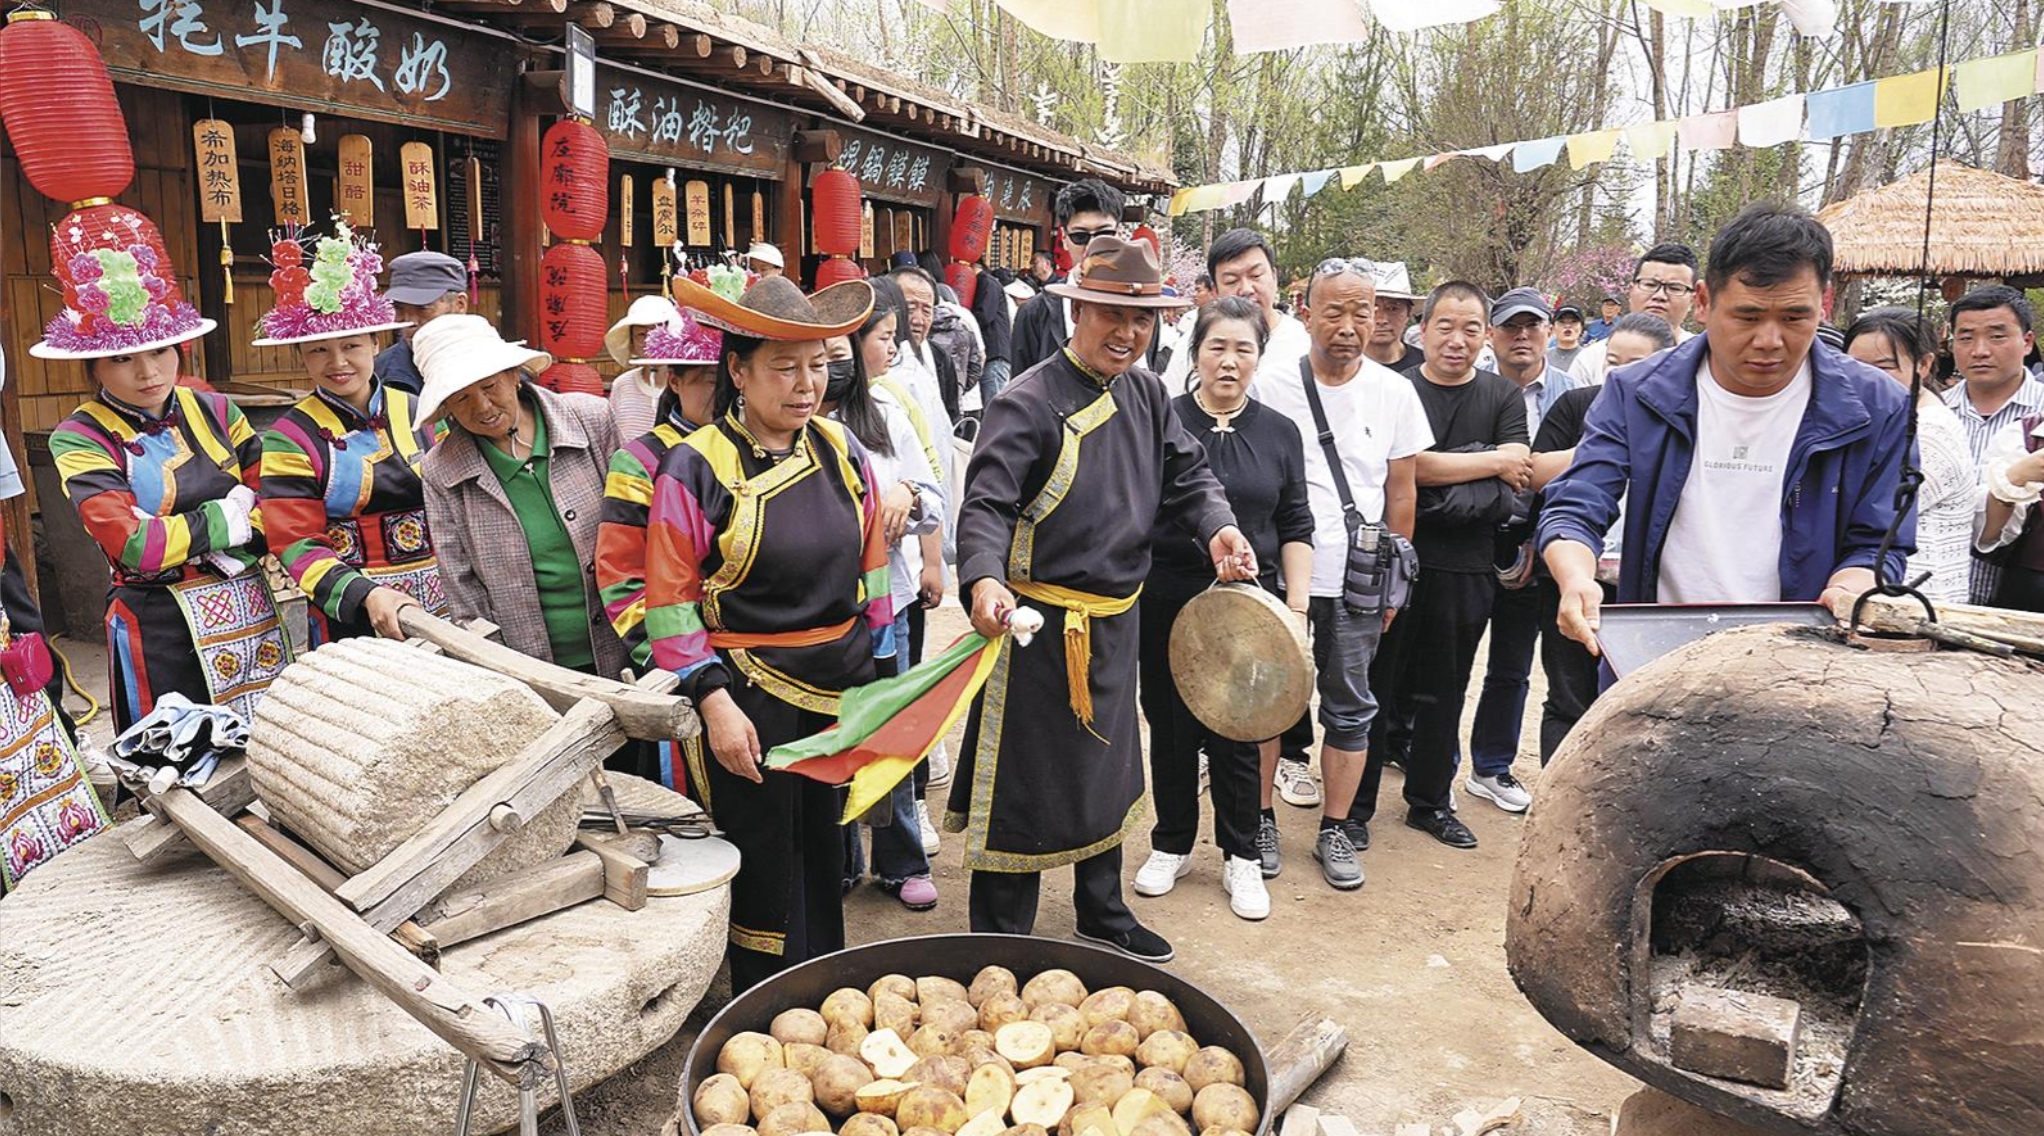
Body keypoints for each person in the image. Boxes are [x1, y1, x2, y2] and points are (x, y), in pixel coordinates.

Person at [950, 236, 1253, 962]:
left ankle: (1103, 910)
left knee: (1106, 776)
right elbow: (986, 505)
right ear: (1077, 311)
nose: (1127, 332)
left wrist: (1218, 526)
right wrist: (984, 577)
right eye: (1112, 314)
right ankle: (1000, 937)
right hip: (1034, 628)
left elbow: (1189, 476)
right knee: (1022, 783)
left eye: (1142, 319)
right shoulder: (1026, 403)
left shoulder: (1146, 394)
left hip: (1116, 624)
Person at [597, 274, 892, 991]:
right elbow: (670, 603)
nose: (806, 385)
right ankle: (763, 1003)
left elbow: (873, 570)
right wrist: (713, 699)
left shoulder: (841, 448)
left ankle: (825, 993)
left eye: (818, 364)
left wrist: (882, 685)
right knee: (762, 856)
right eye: (784, 367)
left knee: (826, 846)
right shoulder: (695, 467)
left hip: (839, 690)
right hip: (748, 696)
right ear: (738, 370)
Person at [1541, 203, 1913, 654]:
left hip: (1808, 660)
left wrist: (1849, 590)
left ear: (1825, 303)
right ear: (1703, 302)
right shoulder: (1638, 391)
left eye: (1795, 317)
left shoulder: (1875, 406)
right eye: (1748, 316)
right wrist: (1576, 577)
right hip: (1657, 656)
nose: (1769, 341)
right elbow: (1577, 504)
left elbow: (1878, 543)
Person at [42, 222, 289, 729]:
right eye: (122, 358)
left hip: (248, 604)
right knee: (177, 753)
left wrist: (194, 528)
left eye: (160, 350)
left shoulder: (217, 410)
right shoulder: (79, 437)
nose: (148, 372)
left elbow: (278, 500)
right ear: (92, 366)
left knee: (271, 740)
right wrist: (229, 517)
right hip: (157, 621)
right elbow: (134, 545)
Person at [1133, 296, 1312, 919]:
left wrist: (1296, 608)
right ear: (1196, 354)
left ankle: (1242, 855)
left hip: (1249, 610)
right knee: (1170, 727)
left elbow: (1296, 523)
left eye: (1243, 349)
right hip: (1167, 599)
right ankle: (1172, 842)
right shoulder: (1165, 421)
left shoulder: (1280, 432)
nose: (1230, 361)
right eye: (1218, 347)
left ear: (1259, 357)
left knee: (1242, 731)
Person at [1257, 260, 1432, 887]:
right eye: (1335, 311)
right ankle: (1259, 821)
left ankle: (1335, 828)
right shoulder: (1270, 384)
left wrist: (1394, 584)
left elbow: (1402, 492)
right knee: (1265, 704)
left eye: (1363, 312)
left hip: (1357, 578)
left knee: (1351, 707)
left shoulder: (1394, 392)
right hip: (1280, 577)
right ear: (1307, 314)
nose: (1351, 325)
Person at [1355, 281, 1529, 852]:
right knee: (1378, 686)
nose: (1457, 340)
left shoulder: (1501, 396)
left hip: (1468, 565)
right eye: (1445, 327)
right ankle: (1353, 808)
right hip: (1397, 560)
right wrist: (1485, 462)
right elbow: (1401, 471)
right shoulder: (1394, 388)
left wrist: (1439, 469)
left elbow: (1518, 469)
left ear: (1486, 336)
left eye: (1471, 329)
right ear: (1423, 330)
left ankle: (1430, 802)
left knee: (1446, 689)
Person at [254, 224, 444, 648]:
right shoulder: (290, 438)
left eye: (352, 346)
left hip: (443, 596)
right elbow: (295, 542)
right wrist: (366, 595)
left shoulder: (423, 410)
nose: (337, 362)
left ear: (376, 343)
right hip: (352, 608)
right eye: (319, 350)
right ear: (301, 356)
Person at [415, 315, 629, 686]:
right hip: (526, 669)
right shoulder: (441, 469)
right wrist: (502, 676)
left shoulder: (591, 420)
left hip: (627, 645)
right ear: (446, 405)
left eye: (489, 386)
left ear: (514, 374)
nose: (483, 407)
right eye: (462, 398)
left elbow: (635, 529)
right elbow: (463, 593)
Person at [829, 303, 945, 909]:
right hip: (814, 612)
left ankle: (901, 861)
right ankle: (840, 859)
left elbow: (933, 497)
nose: (823, 370)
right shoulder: (778, 423)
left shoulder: (882, 415)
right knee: (830, 734)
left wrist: (908, 492)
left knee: (890, 730)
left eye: (835, 356)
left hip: (885, 604)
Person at [1526, 313, 1678, 763]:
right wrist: (1605, 443)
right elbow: (1534, 473)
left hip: (1645, 591)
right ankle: (1557, 796)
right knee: (1568, 699)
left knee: (1639, 709)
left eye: (1636, 364)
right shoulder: (1578, 406)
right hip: (1576, 579)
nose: (1620, 375)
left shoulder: (1682, 422)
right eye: (1613, 362)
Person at [595, 307, 726, 790]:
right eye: (708, 378)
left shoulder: (763, 448)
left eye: (731, 376)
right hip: (685, 660)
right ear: (675, 379)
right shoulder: (640, 462)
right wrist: (676, 662)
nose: (724, 392)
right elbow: (622, 579)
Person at [1461, 288, 1581, 814]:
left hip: (1540, 542)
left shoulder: (1573, 395)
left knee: (1513, 663)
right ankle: (1418, 751)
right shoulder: (1472, 385)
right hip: (1471, 534)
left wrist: (1540, 536)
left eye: (1533, 326)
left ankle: (1491, 766)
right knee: (1447, 656)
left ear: (1549, 331)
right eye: (1511, 327)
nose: (1523, 336)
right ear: (1493, 334)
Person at [1843, 309, 1972, 608]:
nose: (1866, 378)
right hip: (1877, 593)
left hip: (1917, 603)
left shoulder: (1932, 432)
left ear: (1923, 364)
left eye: (1883, 367)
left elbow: (1874, 511)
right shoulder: (1885, 419)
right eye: (1854, 366)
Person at [1941, 285, 2043, 604]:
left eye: (1997, 336)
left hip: (2024, 606)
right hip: (1934, 599)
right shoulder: (1931, 415)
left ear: (2027, 342)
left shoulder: (2040, 416)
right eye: (1966, 338)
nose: (1980, 351)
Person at [1161, 229, 1310, 393]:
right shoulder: (1194, 343)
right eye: (1231, 281)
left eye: (1256, 275)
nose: (1246, 289)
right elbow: (1170, 402)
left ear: (1274, 277)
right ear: (1215, 291)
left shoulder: (1304, 343)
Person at [1010, 178, 1127, 375]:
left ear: (1119, 234)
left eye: (1104, 234)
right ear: (1064, 239)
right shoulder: (1035, 313)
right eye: (1080, 236)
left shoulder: (1142, 309)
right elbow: (1020, 386)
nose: (1092, 246)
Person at [1569, 246, 1700, 384]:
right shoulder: (1590, 360)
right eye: (1650, 284)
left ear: (1693, 300)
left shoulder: (1705, 359)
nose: (1660, 296)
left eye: (1675, 288)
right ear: (1630, 291)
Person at [376, 251, 469, 396]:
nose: (410, 321)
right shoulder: (378, 375)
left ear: (460, 305)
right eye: (399, 308)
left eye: (423, 308)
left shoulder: (495, 364)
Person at [605, 295, 687, 441]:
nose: (650, 340)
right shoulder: (621, 385)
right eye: (642, 334)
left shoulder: (688, 385)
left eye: (658, 332)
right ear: (632, 342)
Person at [1364, 261, 1424, 372]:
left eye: (1393, 309)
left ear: (1408, 313)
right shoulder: (1338, 367)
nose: (1381, 320)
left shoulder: (1427, 366)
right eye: (1372, 309)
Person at [1548, 304, 1587, 373]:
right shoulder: (1542, 358)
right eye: (1562, 322)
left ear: (1581, 327)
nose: (1568, 326)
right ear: (1553, 328)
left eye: (1574, 321)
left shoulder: (1590, 357)